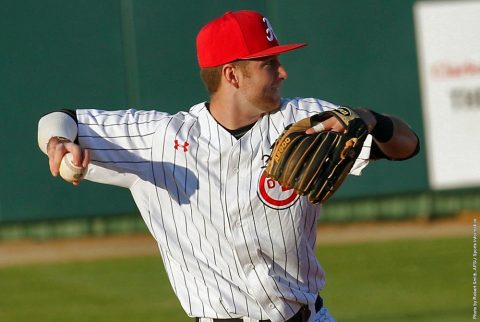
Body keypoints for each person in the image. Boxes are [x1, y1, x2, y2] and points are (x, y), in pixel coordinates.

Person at [37, 10, 419, 322]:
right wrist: (58, 141)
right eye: (269, 63)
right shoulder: (160, 138)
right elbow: (58, 119)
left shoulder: (307, 121)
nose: (283, 71)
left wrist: (371, 119)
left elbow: (406, 146)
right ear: (232, 74)